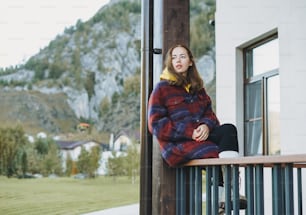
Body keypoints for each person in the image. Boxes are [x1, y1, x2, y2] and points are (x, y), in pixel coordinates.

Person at [147, 44, 246, 212]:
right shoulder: (162, 89)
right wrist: (189, 132)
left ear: (190, 62)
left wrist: (206, 126)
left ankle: (228, 194)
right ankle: (225, 196)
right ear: (170, 62)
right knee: (216, 151)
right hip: (177, 145)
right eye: (174, 57)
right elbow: (155, 124)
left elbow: (211, 115)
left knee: (228, 129)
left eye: (182, 57)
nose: (178, 60)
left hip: (200, 138)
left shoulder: (198, 88)